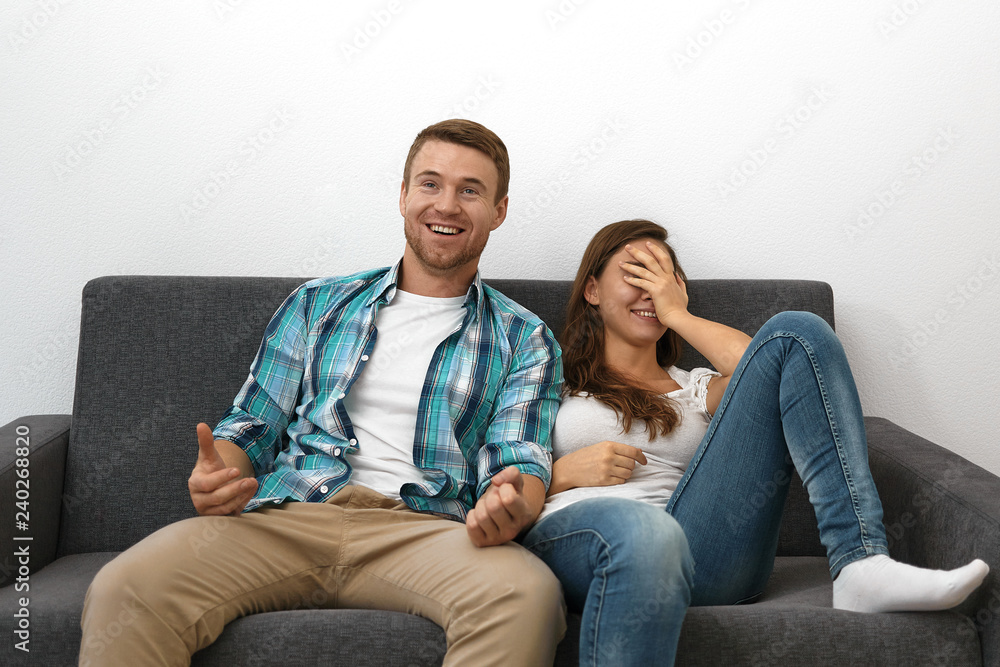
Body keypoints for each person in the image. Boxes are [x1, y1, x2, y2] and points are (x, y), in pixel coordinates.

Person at [79, 119, 565, 666]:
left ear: (499, 210)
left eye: (469, 190)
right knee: (127, 587)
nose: (446, 205)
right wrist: (224, 474)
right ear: (403, 196)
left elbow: (520, 457)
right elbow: (252, 426)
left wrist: (512, 504)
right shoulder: (320, 303)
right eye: (430, 184)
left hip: (428, 532)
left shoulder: (526, 337)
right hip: (288, 517)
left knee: (527, 595)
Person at [520, 219, 989, 666]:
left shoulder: (696, 386)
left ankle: (859, 563)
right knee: (642, 534)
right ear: (593, 290)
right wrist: (561, 475)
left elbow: (775, 359)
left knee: (798, 329)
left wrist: (678, 314)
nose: (650, 289)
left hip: (704, 553)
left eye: (664, 277)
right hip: (581, 539)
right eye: (636, 272)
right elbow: (495, 471)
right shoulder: (547, 378)